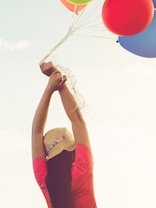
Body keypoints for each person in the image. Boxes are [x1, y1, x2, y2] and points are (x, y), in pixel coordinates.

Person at [31, 62, 97, 208]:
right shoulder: (81, 168)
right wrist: (58, 81)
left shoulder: (46, 179)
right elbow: (77, 120)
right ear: (74, 149)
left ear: (48, 155)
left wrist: (49, 89)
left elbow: (36, 133)